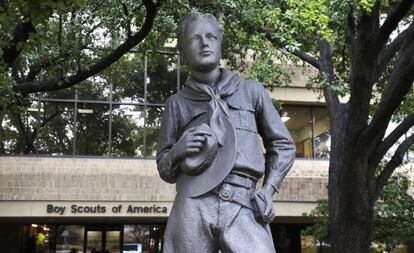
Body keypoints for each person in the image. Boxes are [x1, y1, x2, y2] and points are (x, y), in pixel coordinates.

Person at [156, 12, 295, 253]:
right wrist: (177, 151)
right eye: (194, 39)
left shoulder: (251, 92)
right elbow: (165, 168)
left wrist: (269, 190)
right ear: (183, 51)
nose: (204, 43)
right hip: (192, 202)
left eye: (211, 37)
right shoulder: (176, 103)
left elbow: (283, 145)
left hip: (243, 200)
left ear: (220, 43)